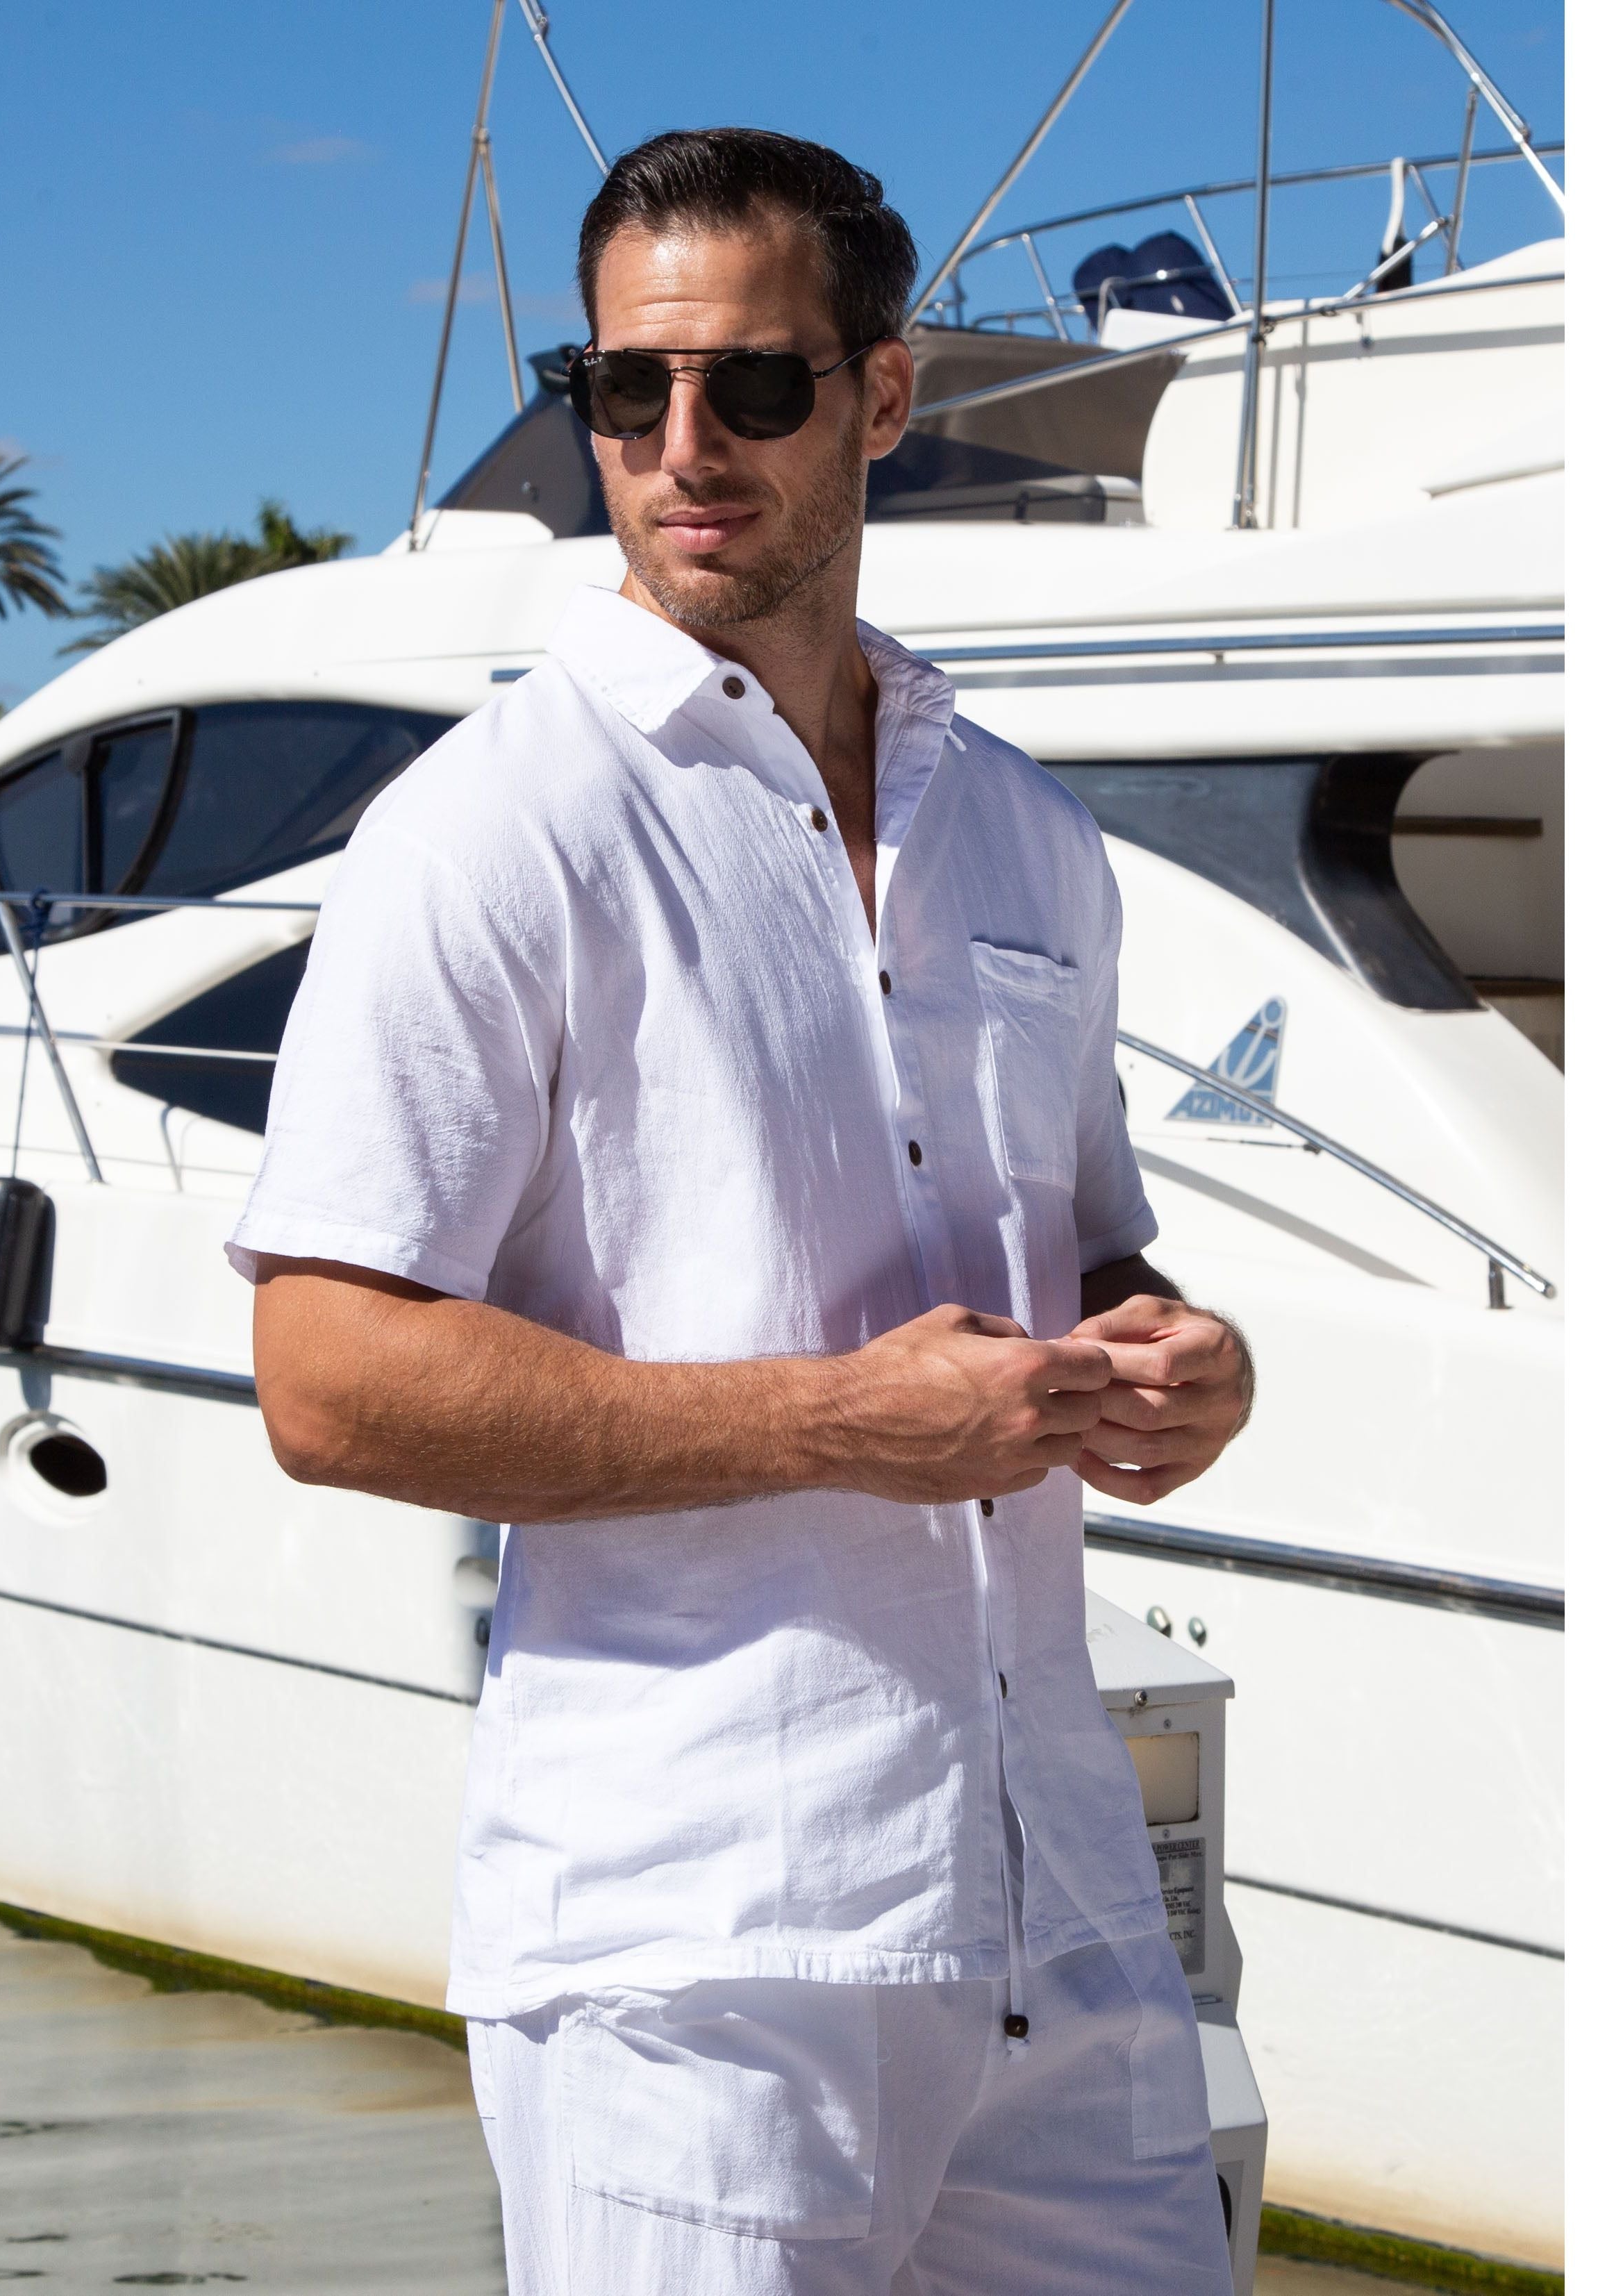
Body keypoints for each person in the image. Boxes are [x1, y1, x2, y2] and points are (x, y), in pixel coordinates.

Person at [233, 127, 1253, 2296]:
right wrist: (833, 1421)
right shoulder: (488, 830)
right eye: (626, 388)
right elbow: (324, 1375)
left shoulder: (1024, 832)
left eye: (753, 385)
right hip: (694, 1953)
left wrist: (1171, 1353)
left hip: (1055, 1909)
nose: (681, 446)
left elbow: (1082, 1249)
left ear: (880, 397)